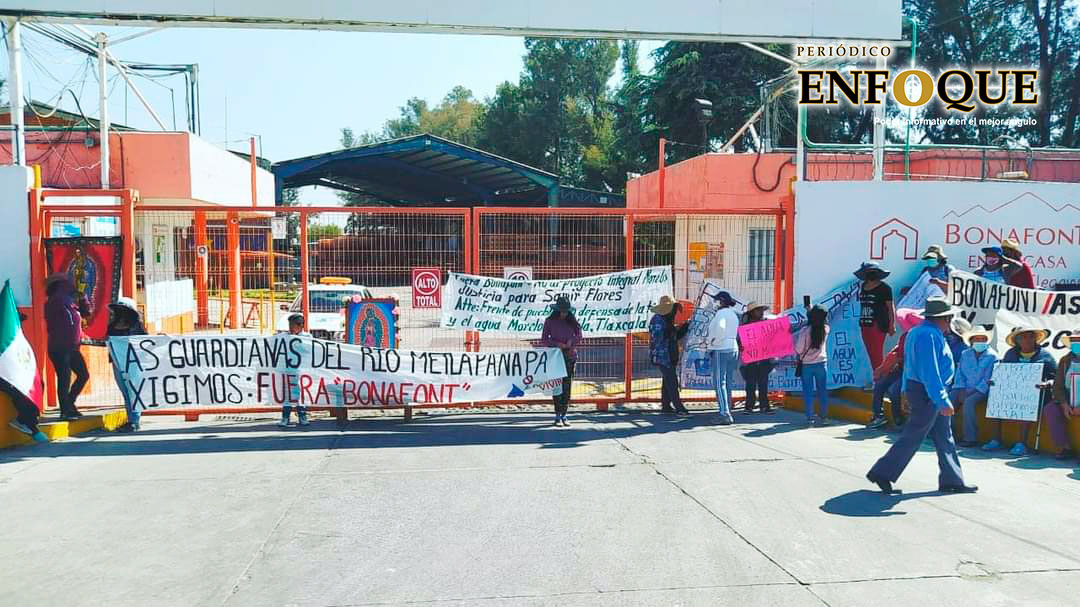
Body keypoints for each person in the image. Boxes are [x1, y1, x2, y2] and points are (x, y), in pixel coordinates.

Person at [866, 297, 976, 495]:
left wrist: (904, 391)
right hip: (929, 392)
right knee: (914, 435)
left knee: (944, 436)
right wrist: (942, 400)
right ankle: (882, 472)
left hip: (923, 390)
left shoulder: (917, 332)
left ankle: (953, 479)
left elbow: (910, 366)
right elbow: (929, 372)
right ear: (945, 318)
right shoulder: (929, 335)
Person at [982, 327, 1057, 456]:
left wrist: (1047, 383)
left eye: (1030, 336)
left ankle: (1021, 443)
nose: (1027, 340)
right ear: (1017, 341)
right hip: (1011, 392)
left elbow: (1055, 378)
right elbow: (1003, 373)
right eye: (1023, 337)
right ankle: (996, 439)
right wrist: (995, 381)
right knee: (995, 398)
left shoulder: (1045, 356)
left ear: (1035, 339)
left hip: (1036, 393)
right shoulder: (1010, 354)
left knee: (1027, 402)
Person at [44, 273, 89, 421]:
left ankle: (69, 403)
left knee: (83, 375)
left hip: (72, 347)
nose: (70, 285)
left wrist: (83, 298)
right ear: (59, 286)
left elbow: (86, 313)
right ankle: (65, 411)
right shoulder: (55, 302)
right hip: (59, 347)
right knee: (64, 379)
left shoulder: (69, 301)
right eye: (67, 283)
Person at [949, 327, 997, 447]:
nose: (980, 341)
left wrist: (970, 392)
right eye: (977, 339)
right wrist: (960, 389)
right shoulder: (965, 354)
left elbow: (987, 379)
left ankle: (970, 438)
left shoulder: (992, 356)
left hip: (981, 390)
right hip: (962, 388)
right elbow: (959, 373)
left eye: (983, 339)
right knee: (948, 400)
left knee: (969, 403)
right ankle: (947, 434)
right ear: (971, 341)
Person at [106, 297, 147, 433]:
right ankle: (132, 419)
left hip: (133, 364)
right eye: (119, 310)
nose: (121, 312)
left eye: (124, 310)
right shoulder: (111, 326)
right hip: (117, 363)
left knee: (133, 391)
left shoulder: (137, 327)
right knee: (125, 392)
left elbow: (146, 343)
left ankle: (134, 420)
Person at [541, 296, 582, 427]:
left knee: (567, 385)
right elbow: (544, 339)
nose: (564, 313)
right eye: (562, 311)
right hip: (555, 356)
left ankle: (564, 414)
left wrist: (572, 342)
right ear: (557, 310)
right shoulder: (549, 321)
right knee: (557, 385)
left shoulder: (572, 320)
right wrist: (557, 344)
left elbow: (579, 335)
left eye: (566, 311)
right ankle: (557, 415)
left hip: (570, 356)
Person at [648, 296, 689, 416]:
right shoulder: (658, 320)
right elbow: (660, 339)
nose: (675, 312)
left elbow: (674, 337)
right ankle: (679, 407)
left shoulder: (666, 320)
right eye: (674, 309)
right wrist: (673, 331)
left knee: (667, 381)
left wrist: (684, 328)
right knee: (672, 381)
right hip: (663, 356)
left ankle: (666, 406)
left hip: (669, 356)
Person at [706, 291, 740, 425]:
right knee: (728, 381)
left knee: (719, 382)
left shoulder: (721, 314)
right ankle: (727, 408)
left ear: (721, 302)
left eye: (716, 300)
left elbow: (720, 328)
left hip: (721, 348)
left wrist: (714, 342)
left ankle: (724, 413)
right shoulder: (733, 314)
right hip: (733, 347)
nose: (714, 303)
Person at [854, 262, 895, 372]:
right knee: (871, 354)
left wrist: (892, 325)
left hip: (878, 324)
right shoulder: (863, 286)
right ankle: (878, 378)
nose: (871, 275)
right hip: (864, 324)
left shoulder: (885, 288)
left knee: (877, 354)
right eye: (869, 272)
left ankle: (880, 380)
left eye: (873, 272)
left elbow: (890, 308)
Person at [794, 305, 830, 426]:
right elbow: (823, 320)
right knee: (822, 392)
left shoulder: (804, 331)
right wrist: (811, 311)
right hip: (821, 364)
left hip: (807, 365)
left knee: (808, 392)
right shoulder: (826, 329)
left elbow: (799, 350)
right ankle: (824, 417)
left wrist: (810, 312)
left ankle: (810, 418)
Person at [1047, 330, 1080, 460]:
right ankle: (1064, 447)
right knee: (1050, 409)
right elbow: (1057, 386)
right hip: (1069, 399)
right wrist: (1064, 403)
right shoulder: (1065, 360)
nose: (1077, 344)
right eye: (1074, 341)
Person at [738, 302, 776, 414]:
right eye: (758, 310)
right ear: (752, 313)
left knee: (763, 383)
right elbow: (740, 342)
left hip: (764, 359)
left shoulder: (766, 324)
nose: (761, 312)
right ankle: (749, 406)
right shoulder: (745, 327)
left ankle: (764, 406)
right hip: (751, 360)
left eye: (761, 310)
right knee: (750, 384)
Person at [867, 330, 909, 430]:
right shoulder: (905, 336)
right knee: (879, 384)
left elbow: (898, 356)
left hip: (912, 372)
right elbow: (896, 353)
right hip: (900, 369)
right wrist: (883, 369)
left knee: (894, 390)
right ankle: (878, 416)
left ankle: (898, 418)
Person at [279, 313, 312, 427]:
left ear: (300, 325)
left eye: (292, 325)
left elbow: (310, 352)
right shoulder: (284, 336)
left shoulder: (307, 337)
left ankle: (302, 415)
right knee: (287, 394)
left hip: (301, 370)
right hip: (287, 369)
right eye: (289, 325)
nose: (290, 327)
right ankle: (285, 417)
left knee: (300, 393)